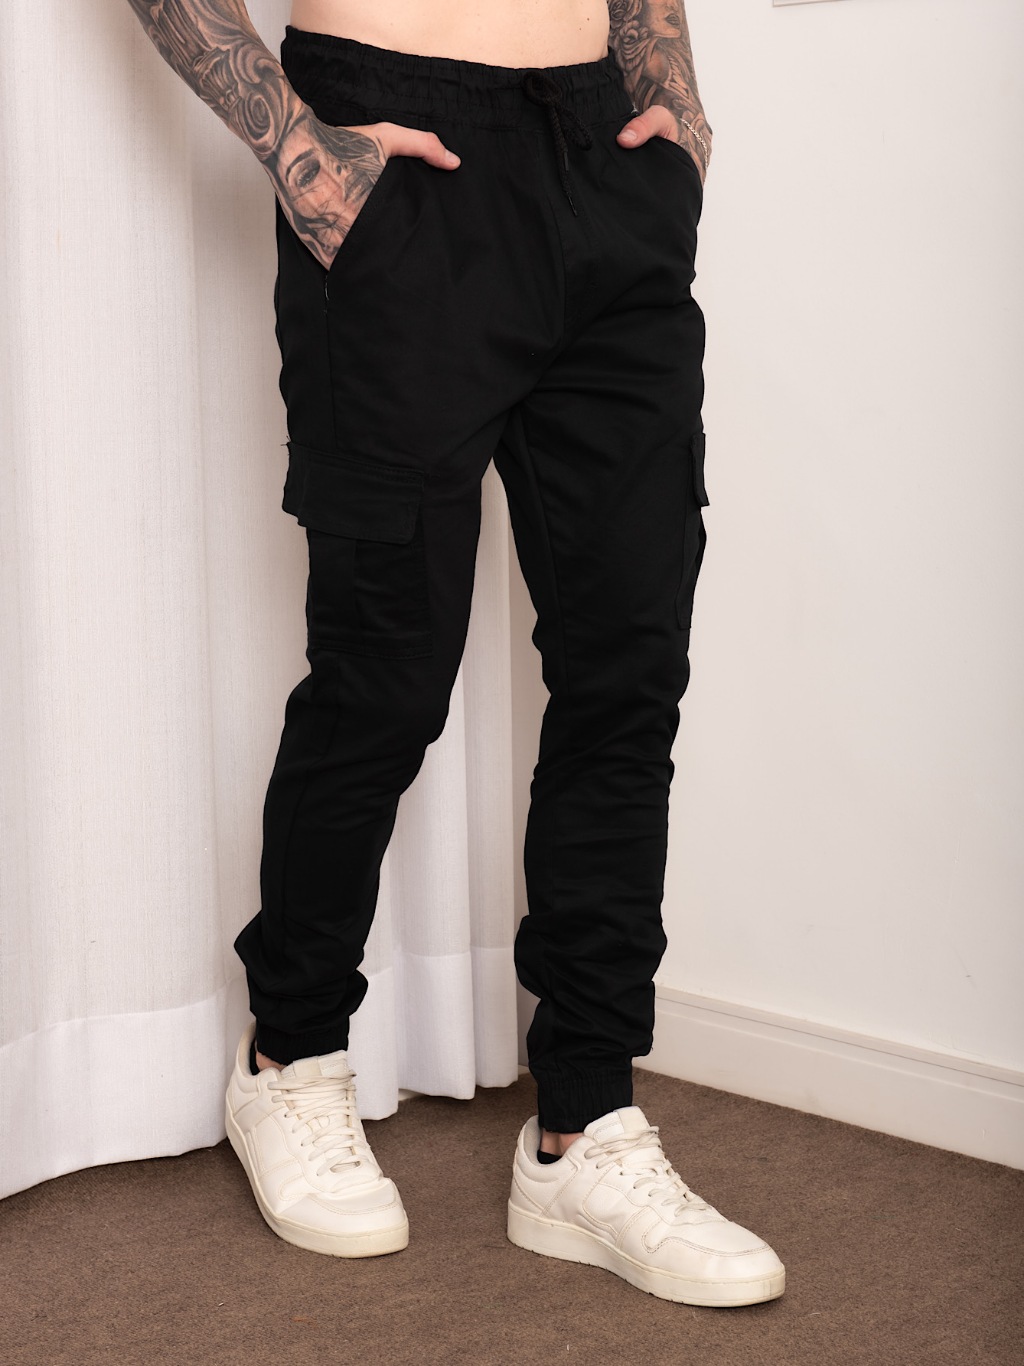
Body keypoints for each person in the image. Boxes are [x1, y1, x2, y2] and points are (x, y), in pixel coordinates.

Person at [126, 0, 785, 1306]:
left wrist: (672, 101)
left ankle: (585, 1121)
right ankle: (291, 1056)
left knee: (626, 671)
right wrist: (299, 147)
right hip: (396, 153)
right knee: (385, 669)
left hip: (607, 152)